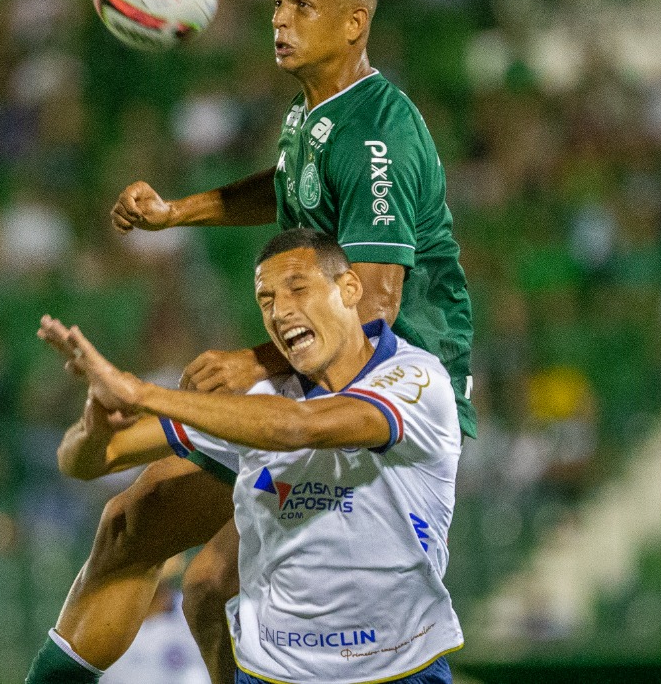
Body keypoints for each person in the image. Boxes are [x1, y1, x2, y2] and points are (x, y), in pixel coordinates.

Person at [25, 0, 474, 684]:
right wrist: (177, 212)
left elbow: (379, 302)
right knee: (191, 576)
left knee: (166, 544)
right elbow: (290, 183)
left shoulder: (376, 134)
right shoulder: (318, 115)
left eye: (302, 6)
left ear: (355, 21)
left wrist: (255, 361)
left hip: (384, 380)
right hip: (317, 368)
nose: (280, 21)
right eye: (275, 5)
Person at [40, 229, 465, 684]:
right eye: (266, 301)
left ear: (350, 290)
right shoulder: (254, 401)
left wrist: (142, 394)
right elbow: (86, 461)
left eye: (298, 289)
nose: (281, 312)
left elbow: (300, 427)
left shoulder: (416, 379)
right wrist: (95, 428)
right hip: (272, 675)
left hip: (399, 668)